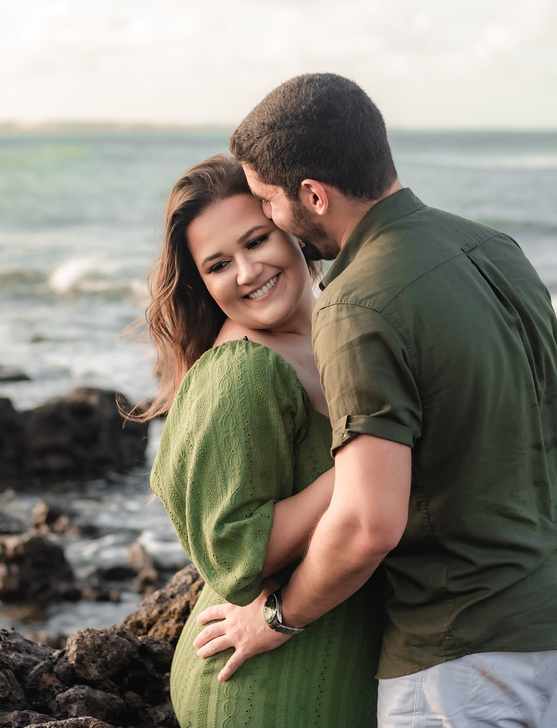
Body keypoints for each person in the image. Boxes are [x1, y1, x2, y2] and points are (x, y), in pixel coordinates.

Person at [191, 74, 557, 728]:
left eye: (267, 203)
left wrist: (274, 619)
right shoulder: (493, 248)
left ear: (312, 194)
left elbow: (370, 523)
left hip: (470, 655)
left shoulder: (357, 303)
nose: (271, 219)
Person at [142, 154, 382, 727]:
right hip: (263, 685)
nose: (247, 272)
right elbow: (234, 552)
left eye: (257, 240)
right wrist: (363, 467)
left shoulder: (336, 327)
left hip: (337, 664)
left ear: (294, 230)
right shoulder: (243, 371)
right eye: (220, 263)